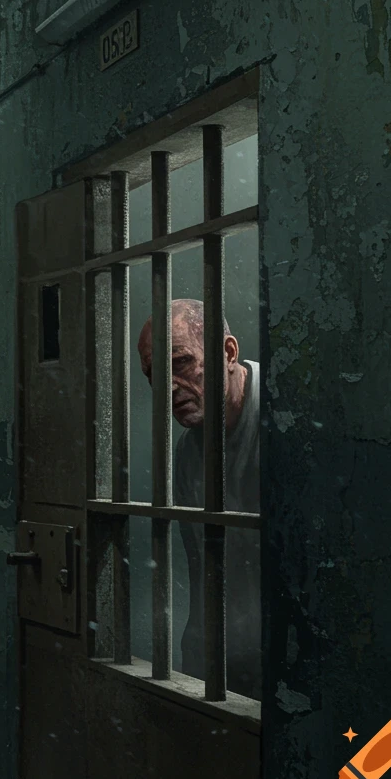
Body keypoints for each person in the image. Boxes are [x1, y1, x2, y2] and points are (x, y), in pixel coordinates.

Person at [136, 299, 261, 699]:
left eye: (180, 363)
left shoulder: (287, 417)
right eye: (155, 374)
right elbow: (207, 574)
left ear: (228, 353)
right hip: (228, 668)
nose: (168, 386)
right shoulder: (190, 452)